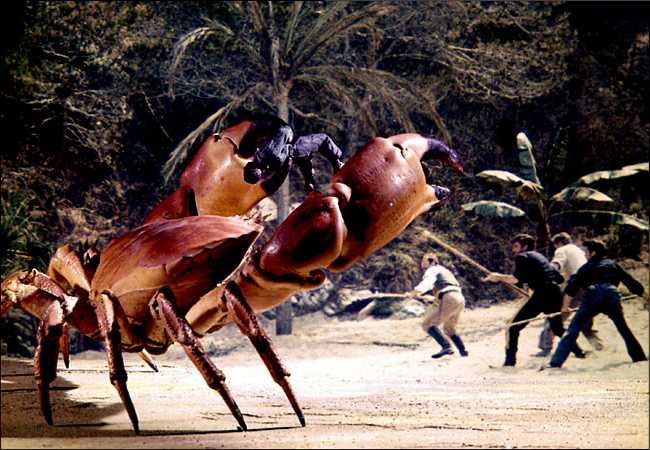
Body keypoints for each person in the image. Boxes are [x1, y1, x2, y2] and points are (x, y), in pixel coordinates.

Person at [483, 233, 586, 366]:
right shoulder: (539, 256)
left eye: (516, 246)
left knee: (512, 327)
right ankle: (579, 352)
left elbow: (515, 279)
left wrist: (497, 276)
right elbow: (557, 277)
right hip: (554, 293)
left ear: (524, 247)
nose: (513, 250)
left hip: (542, 294)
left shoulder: (522, 257)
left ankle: (509, 363)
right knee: (557, 328)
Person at [545, 239, 647, 369]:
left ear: (592, 253)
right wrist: (644, 295)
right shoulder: (613, 264)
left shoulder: (587, 267)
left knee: (573, 330)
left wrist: (565, 307)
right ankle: (639, 357)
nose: (585, 254)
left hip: (593, 295)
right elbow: (631, 282)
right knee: (623, 328)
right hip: (612, 295)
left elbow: (572, 288)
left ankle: (555, 363)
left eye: (587, 252)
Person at [535, 232, 603, 356]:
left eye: (555, 245)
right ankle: (597, 345)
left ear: (559, 243)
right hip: (592, 284)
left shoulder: (561, 250)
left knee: (555, 316)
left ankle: (545, 347)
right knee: (585, 318)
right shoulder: (579, 250)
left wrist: (542, 275)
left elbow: (556, 265)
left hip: (576, 284)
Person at [409, 252, 468, 359]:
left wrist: (413, 292)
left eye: (425, 260)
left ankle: (446, 346)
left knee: (427, 324)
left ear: (433, 262)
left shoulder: (432, 270)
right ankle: (463, 351)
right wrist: (426, 297)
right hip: (459, 298)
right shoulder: (445, 271)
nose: (422, 262)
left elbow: (428, 282)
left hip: (449, 297)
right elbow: (443, 290)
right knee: (449, 329)